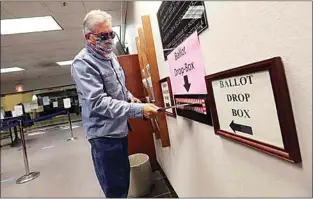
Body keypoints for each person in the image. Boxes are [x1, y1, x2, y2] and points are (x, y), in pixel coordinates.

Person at [71, 10, 159, 198]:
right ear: (89, 37)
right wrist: (138, 110)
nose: (110, 40)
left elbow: (118, 87)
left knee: (123, 181)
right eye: (104, 36)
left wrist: (129, 97)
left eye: (111, 34)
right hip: (103, 136)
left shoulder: (111, 57)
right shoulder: (82, 64)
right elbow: (99, 102)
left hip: (119, 129)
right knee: (115, 189)